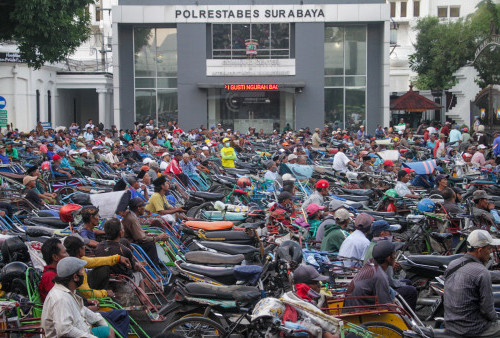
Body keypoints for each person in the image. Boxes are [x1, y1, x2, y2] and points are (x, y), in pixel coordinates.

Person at [444, 230, 500, 337]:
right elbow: (487, 309)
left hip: (451, 324)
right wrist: (496, 319)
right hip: (472, 328)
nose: (490, 253)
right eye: (489, 249)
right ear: (480, 250)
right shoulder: (482, 272)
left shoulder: (453, 264)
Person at [41, 257, 114, 337]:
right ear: (75, 277)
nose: (83, 273)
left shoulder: (69, 291)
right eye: (81, 271)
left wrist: (100, 320)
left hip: (83, 329)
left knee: (109, 330)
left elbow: (82, 309)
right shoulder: (61, 298)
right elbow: (65, 330)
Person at [63, 236, 131, 299]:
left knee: (104, 268)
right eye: (83, 246)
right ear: (79, 250)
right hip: (83, 297)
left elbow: (96, 261)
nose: (85, 247)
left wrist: (118, 258)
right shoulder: (75, 268)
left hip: (85, 291)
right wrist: (105, 293)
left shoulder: (79, 259)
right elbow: (86, 293)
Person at [344, 240, 397, 309]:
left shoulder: (370, 262)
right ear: (389, 258)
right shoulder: (380, 276)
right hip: (360, 313)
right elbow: (385, 306)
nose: (395, 257)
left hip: (353, 305)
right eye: (394, 254)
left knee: (391, 291)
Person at [122, 197, 168, 266]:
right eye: (144, 206)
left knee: (152, 239)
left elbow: (138, 233)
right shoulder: (132, 218)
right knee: (150, 244)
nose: (145, 208)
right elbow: (141, 238)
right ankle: (153, 267)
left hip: (133, 241)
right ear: (139, 208)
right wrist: (158, 238)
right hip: (131, 244)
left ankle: (157, 262)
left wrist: (152, 235)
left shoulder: (132, 216)